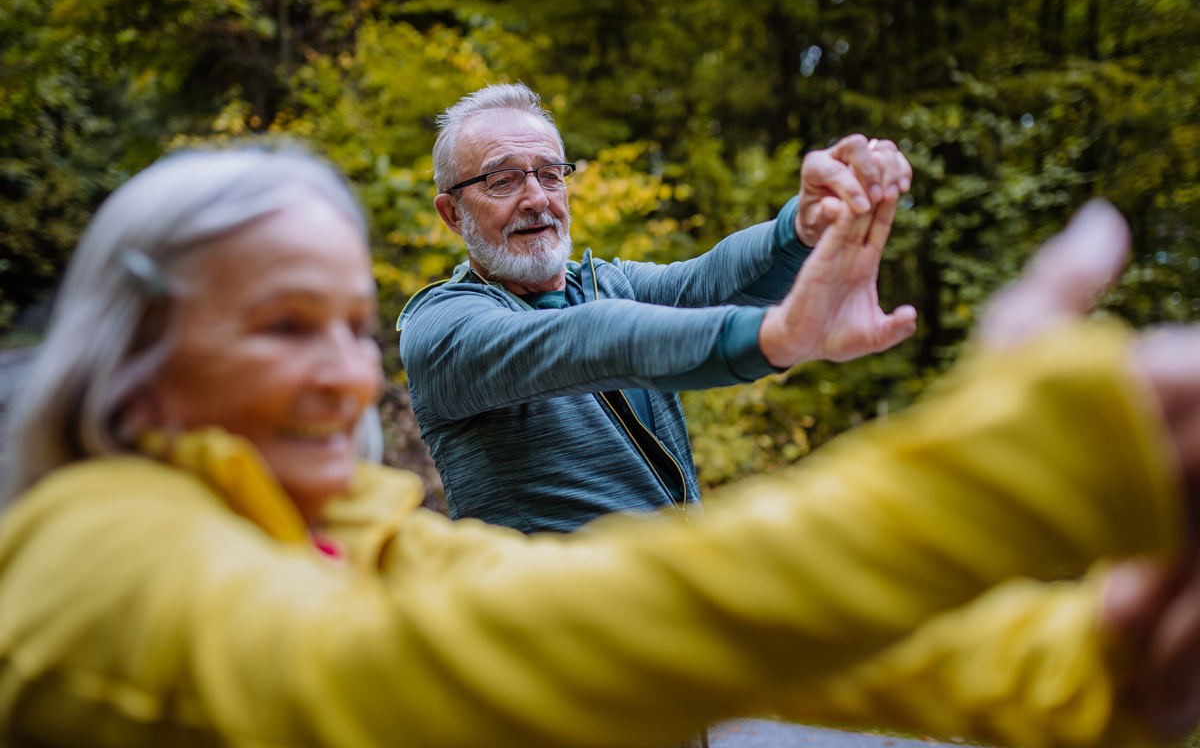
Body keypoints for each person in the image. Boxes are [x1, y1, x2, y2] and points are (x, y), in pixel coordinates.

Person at [3, 148, 1200, 747]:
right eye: (283, 326)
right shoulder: (98, 549)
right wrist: (997, 481)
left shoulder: (335, 527)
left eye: (349, 327)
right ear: (134, 362)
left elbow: (685, 284)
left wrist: (1065, 659)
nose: (345, 370)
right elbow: (380, 668)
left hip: (624, 640)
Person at [398, 82, 915, 533]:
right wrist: (776, 336)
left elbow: (710, 280)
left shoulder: (608, 283)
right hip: (558, 636)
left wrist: (803, 226)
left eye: (551, 174)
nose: (536, 197)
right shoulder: (441, 326)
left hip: (681, 614)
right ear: (453, 213)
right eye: (502, 180)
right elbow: (585, 341)